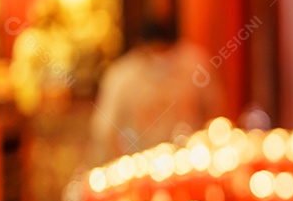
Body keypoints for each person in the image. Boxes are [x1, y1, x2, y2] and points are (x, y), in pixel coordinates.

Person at [88, 16, 223, 165]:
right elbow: (106, 128)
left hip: (188, 162)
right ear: (141, 46)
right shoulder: (121, 76)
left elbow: (214, 110)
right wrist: (129, 164)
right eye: (155, 51)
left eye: (166, 50)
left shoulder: (194, 64)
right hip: (140, 165)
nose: (161, 57)